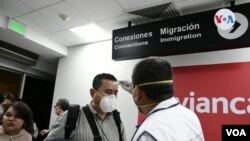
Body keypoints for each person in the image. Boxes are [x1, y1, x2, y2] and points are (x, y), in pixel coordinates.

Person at [119, 57, 204, 141]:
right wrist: (137, 92)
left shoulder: (148, 134)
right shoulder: (190, 116)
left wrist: (137, 93)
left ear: (137, 92)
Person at [44, 73, 127, 141]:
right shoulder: (72, 116)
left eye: (115, 93)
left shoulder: (117, 120)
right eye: (108, 92)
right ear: (92, 93)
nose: (112, 97)